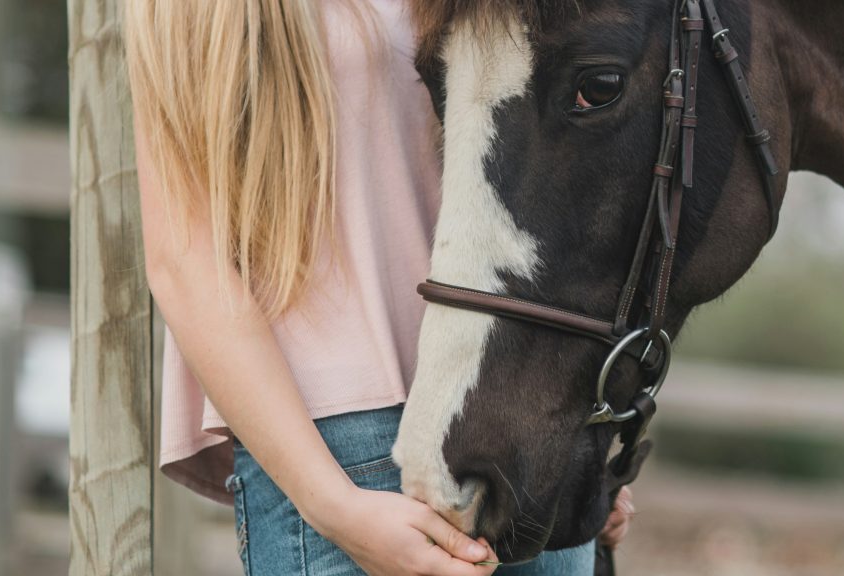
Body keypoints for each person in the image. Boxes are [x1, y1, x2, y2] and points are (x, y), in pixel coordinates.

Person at [123, 1, 634, 574]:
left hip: (525, 423)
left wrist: (587, 437)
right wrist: (336, 507)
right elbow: (186, 262)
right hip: (342, 453)